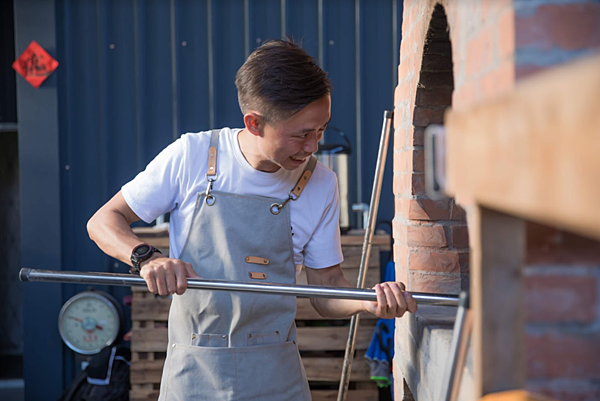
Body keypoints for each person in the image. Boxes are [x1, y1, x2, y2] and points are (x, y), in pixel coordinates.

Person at [87, 39, 417, 401]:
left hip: (277, 374)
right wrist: (146, 257)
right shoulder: (193, 156)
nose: (314, 147)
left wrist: (367, 301)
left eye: (321, 129)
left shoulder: (321, 183)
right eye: (302, 134)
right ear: (255, 122)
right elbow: (104, 220)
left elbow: (327, 289)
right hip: (195, 371)